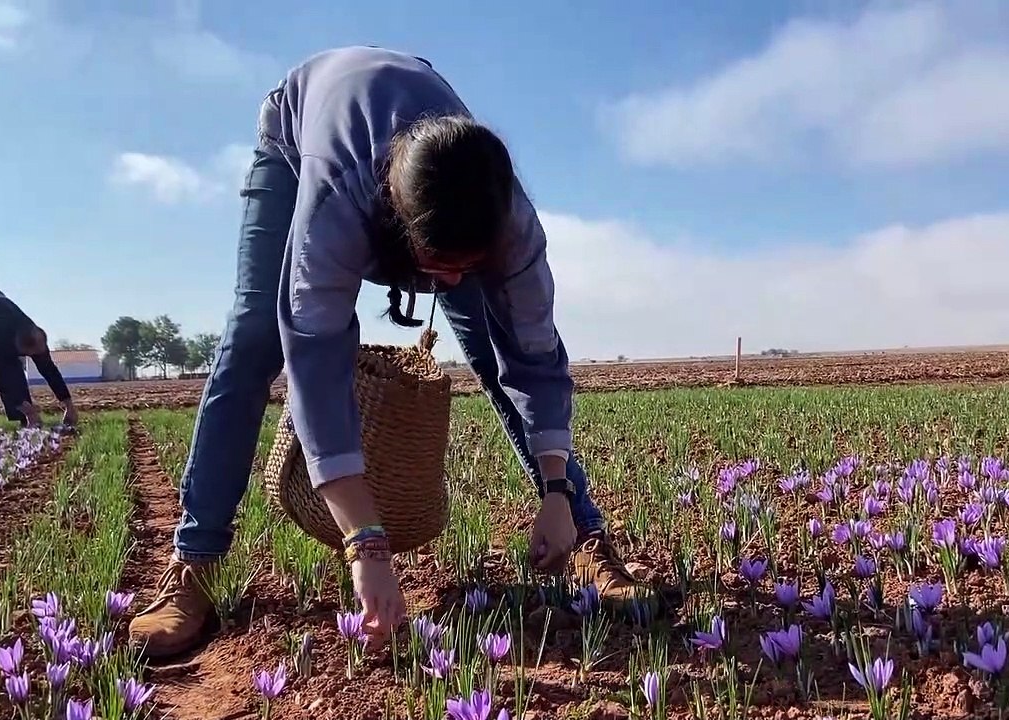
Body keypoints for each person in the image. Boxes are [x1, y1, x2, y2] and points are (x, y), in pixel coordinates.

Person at [128, 46, 653, 659]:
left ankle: (584, 538)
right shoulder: (336, 204)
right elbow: (317, 359)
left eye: (471, 267)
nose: (452, 284)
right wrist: (365, 543)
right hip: (300, 134)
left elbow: (534, 359)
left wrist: (557, 492)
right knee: (252, 338)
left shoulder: (511, 227)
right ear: (401, 232)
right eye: (439, 268)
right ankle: (194, 567)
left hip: (427, 151)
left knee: (487, 345)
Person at [0, 285, 79, 428]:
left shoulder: (33, 334)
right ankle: (27, 417)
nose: (35, 358)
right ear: (17, 345)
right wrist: (26, 410)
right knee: (4, 368)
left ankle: (26, 421)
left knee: (14, 367)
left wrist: (68, 404)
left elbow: (48, 368)